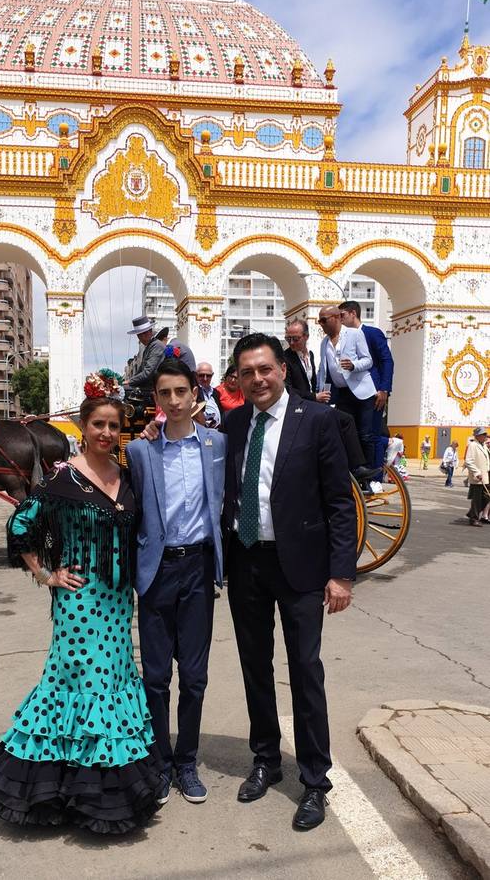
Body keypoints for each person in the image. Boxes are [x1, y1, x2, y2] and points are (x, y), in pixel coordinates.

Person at [0, 371, 162, 833]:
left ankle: (100, 784)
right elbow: (21, 527)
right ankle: (75, 789)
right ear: (84, 427)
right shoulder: (64, 480)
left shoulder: (125, 476)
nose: (106, 433)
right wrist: (46, 574)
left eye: (113, 426)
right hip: (79, 601)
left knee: (114, 679)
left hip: (118, 601)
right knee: (84, 685)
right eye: (98, 424)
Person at [222, 332, 356, 831]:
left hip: (300, 567)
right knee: (255, 666)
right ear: (237, 379)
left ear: (281, 369)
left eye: (265, 369)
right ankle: (265, 760)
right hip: (247, 561)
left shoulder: (317, 421)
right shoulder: (235, 424)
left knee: (305, 670)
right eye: (246, 372)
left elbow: (340, 503)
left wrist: (341, 574)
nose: (256, 379)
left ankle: (315, 781)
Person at [126, 360, 226, 807]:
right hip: (157, 570)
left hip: (200, 569)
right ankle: (160, 763)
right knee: (155, 676)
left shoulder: (217, 444)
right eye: (165, 393)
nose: (173, 400)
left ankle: (187, 762)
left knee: (196, 676)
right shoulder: (140, 452)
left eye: (181, 392)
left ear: (194, 395)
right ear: (156, 401)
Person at [283, 320, 377, 485]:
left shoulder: (310, 355)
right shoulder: (285, 359)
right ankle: (354, 468)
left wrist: (320, 395)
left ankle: (355, 469)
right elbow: (288, 389)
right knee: (344, 421)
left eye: (295, 339)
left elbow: (317, 378)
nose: (291, 343)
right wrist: (314, 397)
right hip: (298, 407)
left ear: (306, 337)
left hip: (315, 404)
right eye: (288, 339)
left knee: (347, 422)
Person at [317, 305, 376, 468]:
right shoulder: (324, 343)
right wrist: (320, 391)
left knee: (365, 435)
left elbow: (368, 360)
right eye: (319, 321)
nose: (321, 324)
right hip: (342, 393)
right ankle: (355, 471)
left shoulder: (354, 334)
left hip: (362, 392)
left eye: (323, 320)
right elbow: (323, 370)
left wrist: (353, 365)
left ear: (336, 318)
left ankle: (369, 475)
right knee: (345, 434)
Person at [339, 301, 394, 471]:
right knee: (353, 437)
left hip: (374, 393)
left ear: (353, 313)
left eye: (343, 315)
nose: (340, 320)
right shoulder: (342, 337)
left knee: (371, 437)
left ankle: (374, 477)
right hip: (349, 396)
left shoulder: (372, 333)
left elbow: (386, 360)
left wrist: (384, 389)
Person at [125, 315, 165, 399]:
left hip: (154, 387)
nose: (142, 337)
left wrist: (130, 381)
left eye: (144, 333)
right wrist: (129, 381)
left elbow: (148, 372)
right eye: (139, 335)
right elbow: (140, 370)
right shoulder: (149, 347)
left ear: (150, 331)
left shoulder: (157, 346)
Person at [464, 427, 490, 527]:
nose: (485, 437)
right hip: (477, 477)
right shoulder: (473, 445)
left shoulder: (483, 445)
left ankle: (472, 513)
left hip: (485, 476)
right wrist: (477, 472)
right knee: (477, 499)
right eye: (483, 435)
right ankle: (473, 518)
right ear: (478, 436)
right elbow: (468, 461)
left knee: (486, 498)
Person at [195, 362, 223, 429]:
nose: (205, 378)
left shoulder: (216, 392)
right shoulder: (194, 392)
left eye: (208, 375)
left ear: (212, 375)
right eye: (201, 375)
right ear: (196, 375)